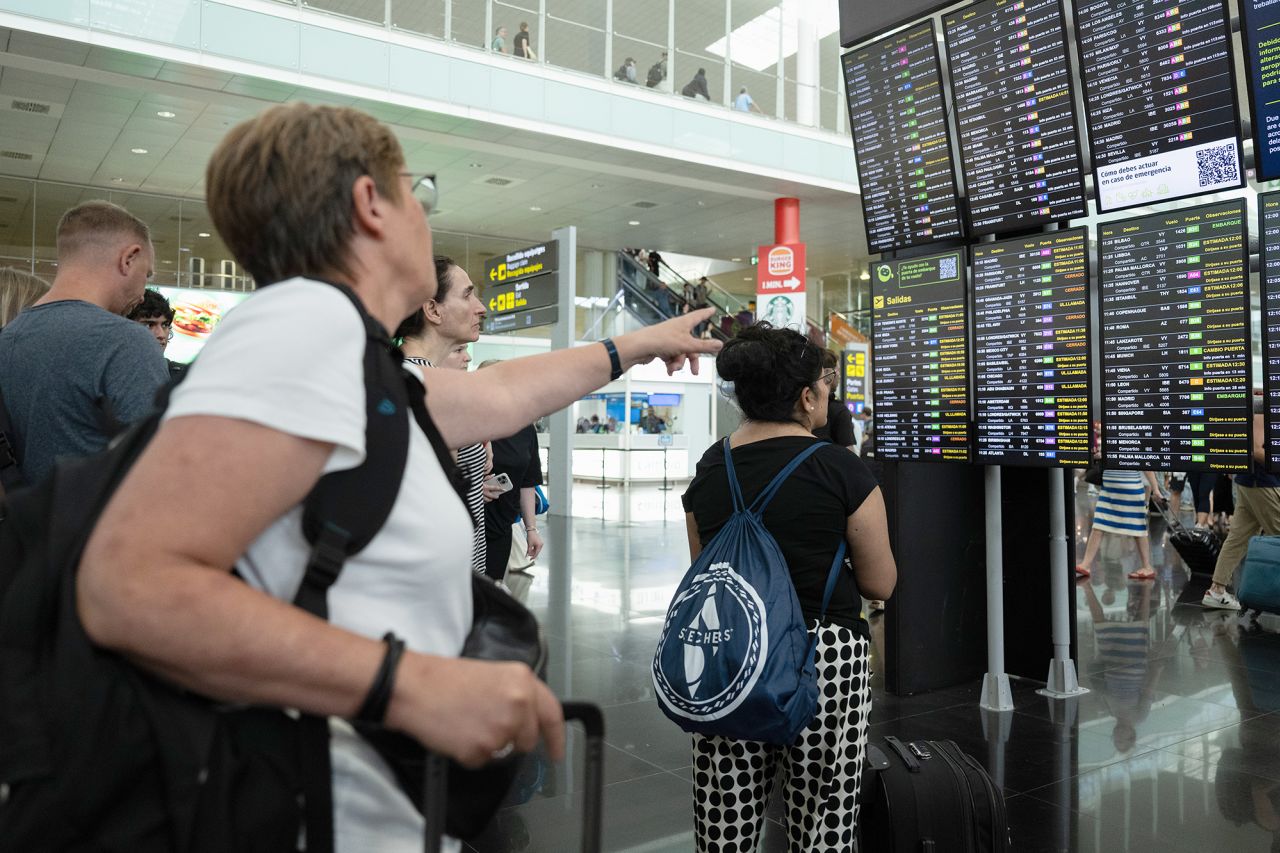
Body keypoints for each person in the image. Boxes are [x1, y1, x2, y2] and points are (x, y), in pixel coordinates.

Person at [76, 102, 721, 852]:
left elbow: (499, 395)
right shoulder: (300, 332)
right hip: (326, 816)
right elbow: (129, 580)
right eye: (416, 191)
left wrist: (636, 344)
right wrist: (407, 684)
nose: (424, 213)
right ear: (369, 204)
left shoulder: (350, 352)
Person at [683, 324, 895, 853]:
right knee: (824, 817)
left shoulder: (710, 467)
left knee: (724, 817)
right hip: (825, 657)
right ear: (806, 396)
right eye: (824, 385)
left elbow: (704, 569)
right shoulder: (842, 470)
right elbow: (880, 582)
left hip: (731, 652)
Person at [0, 201, 167, 486]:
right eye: (147, 274)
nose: (143, 293)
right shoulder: (125, 341)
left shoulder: (10, 336)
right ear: (128, 259)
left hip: (30, 523)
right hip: (103, 525)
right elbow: (159, 468)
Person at [395, 255, 490, 576]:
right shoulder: (430, 387)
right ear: (433, 309)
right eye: (467, 294)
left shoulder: (404, 373)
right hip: (449, 577)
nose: (481, 307)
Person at [1204, 395, 1280, 609]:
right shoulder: (1263, 405)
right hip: (1261, 482)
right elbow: (1257, 449)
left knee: (1237, 538)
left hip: (1253, 483)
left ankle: (1216, 590)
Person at [477, 359, 544, 582]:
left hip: (501, 528)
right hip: (469, 525)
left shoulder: (524, 427)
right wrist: (476, 487)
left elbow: (527, 482)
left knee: (492, 593)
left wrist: (531, 529)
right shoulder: (468, 421)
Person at [1075, 468, 1163, 580]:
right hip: (1109, 491)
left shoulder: (1134, 449)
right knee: (1099, 525)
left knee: (1138, 529)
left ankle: (1147, 566)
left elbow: (1146, 466)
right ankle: (1086, 564)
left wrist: (1155, 489)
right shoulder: (1109, 449)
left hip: (1128, 490)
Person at [126, 287, 187, 379]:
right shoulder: (108, 373)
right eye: (149, 325)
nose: (161, 335)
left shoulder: (182, 376)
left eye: (165, 325)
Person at [812, 349, 855, 450]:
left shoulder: (799, 404)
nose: (839, 375)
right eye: (837, 370)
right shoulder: (840, 411)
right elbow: (849, 453)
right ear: (829, 374)